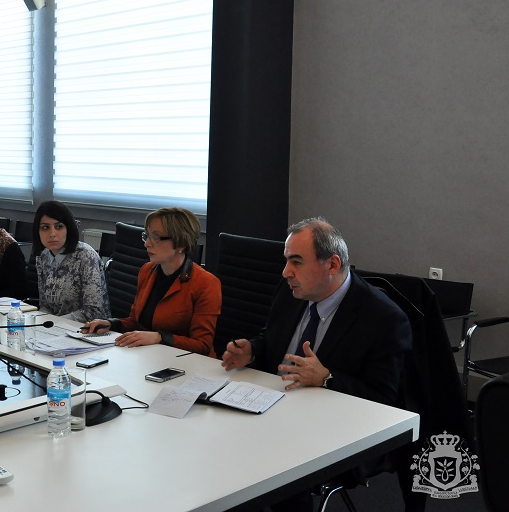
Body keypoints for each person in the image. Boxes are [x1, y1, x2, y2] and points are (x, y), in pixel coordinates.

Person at [220, 217, 412, 512]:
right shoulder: (290, 291)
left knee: (273, 467)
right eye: (286, 261)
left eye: (296, 262)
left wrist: (327, 378)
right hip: (273, 407)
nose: (286, 272)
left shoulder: (383, 318)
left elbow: (383, 401)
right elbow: (271, 338)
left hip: (329, 428)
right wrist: (253, 351)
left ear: (332, 264)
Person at [83, 207, 221, 356]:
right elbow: (136, 322)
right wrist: (112, 324)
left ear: (181, 244)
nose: (147, 244)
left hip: (187, 362)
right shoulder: (147, 270)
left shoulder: (206, 283)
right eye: (147, 236)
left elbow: (202, 345)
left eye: (156, 238)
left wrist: (160, 337)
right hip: (149, 356)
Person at [32, 200, 110, 322]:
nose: (52, 234)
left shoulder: (86, 256)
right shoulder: (42, 257)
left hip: (88, 328)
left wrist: (56, 323)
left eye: (59, 227)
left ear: (68, 229)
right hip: (56, 327)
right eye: (45, 227)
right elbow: (45, 305)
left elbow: (93, 311)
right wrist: (41, 321)